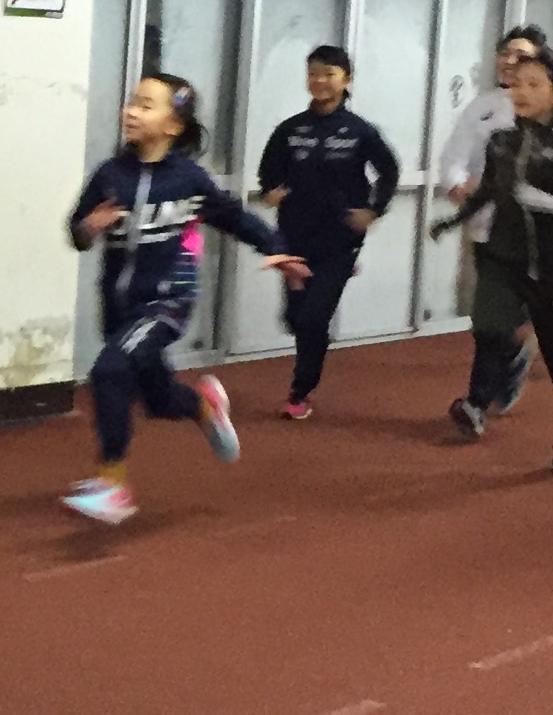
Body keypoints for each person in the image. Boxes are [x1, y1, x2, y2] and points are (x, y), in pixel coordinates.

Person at [64, 72, 306, 524]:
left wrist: (277, 249)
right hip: (119, 309)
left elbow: (235, 218)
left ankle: (113, 482)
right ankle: (204, 407)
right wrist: (88, 227)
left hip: (166, 302)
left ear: (173, 125)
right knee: (156, 399)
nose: (132, 112)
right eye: (132, 102)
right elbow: (76, 232)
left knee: (109, 371)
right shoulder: (109, 175)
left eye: (146, 105)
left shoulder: (188, 180)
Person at [436, 24, 553, 424]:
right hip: (492, 231)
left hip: (544, 241)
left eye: (521, 57)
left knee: (550, 334)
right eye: (505, 54)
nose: (510, 62)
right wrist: (456, 185)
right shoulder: (483, 107)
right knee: (490, 324)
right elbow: (455, 154)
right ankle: (482, 398)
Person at [253, 44, 398, 421]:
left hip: (339, 239)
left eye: (329, 74)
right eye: (313, 73)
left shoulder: (359, 130)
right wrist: (270, 191)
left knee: (314, 318)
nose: (320, 81)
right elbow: (268, 170)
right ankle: (314, 327)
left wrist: (373, 211)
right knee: (296, 318)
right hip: (293, 236)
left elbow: (389, 171)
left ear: (346, 80)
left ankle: (300, 392)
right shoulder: (290, 129)